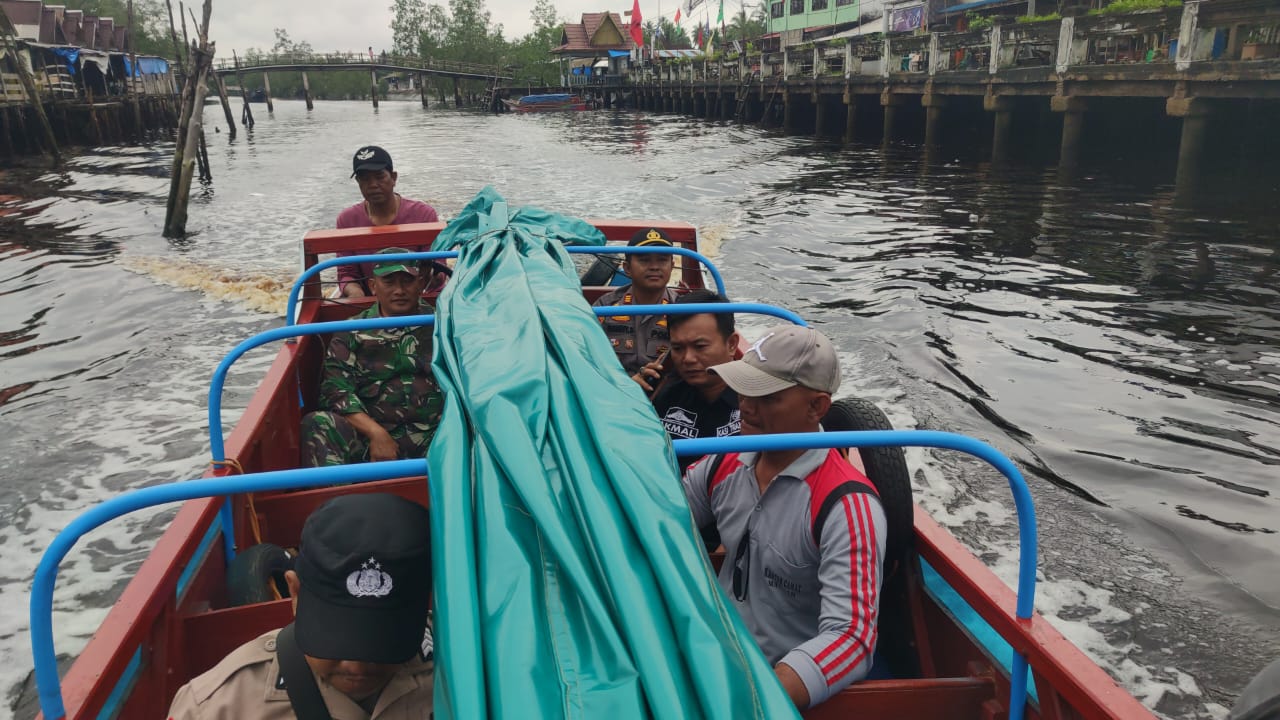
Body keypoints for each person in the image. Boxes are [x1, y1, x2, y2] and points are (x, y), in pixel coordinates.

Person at [681, 325, 886, 709]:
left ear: (817, 408)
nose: (745, 405)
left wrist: (758, 700)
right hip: (718, 649)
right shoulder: (724, 464)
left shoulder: (846, 505)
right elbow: (663, 518)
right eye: (744, 389)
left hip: (778, 684)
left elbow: (851, 639)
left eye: (766, 397)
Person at [167, 493, 435, 719]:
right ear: (294, 593)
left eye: (381, 642)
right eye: (334, 637)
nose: (357, 667)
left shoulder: (459, 671)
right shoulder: (219, 707)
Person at [301, 248, 443, 467]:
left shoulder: (444, 326)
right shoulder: (352, 331)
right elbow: (335, 392)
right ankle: (337, 500)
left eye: (407, 281)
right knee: (318, 423)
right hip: (373, 438)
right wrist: (376, 433)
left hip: (440, 434)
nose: (399, 290)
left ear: (421, 283)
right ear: (373, 286)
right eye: (389, 282)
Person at [641, 290, 741, 471]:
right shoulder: (662, 393)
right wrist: (630, 398)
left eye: (700, 346)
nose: (687, 358)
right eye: (678, 348)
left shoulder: (757, 400)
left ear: (732, 344)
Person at [335, 146, 439, 298]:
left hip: (417, 295)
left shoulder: (424, 215)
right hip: (370, 298)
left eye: (379, 176)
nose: (373, 185)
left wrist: (416, 289)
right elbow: (347, 273)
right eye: (365, 179)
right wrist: (356, 294)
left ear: (394, 178)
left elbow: (437, 267)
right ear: (358, 182)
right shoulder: (347, 220)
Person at [592, 227, 679, 375]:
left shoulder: (683, 309)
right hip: (614, 390)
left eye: (662, 260)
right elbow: (586, 356)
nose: (654, 267)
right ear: (627, 268)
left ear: (672, 266)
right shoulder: (605, 307)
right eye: (644, 260)